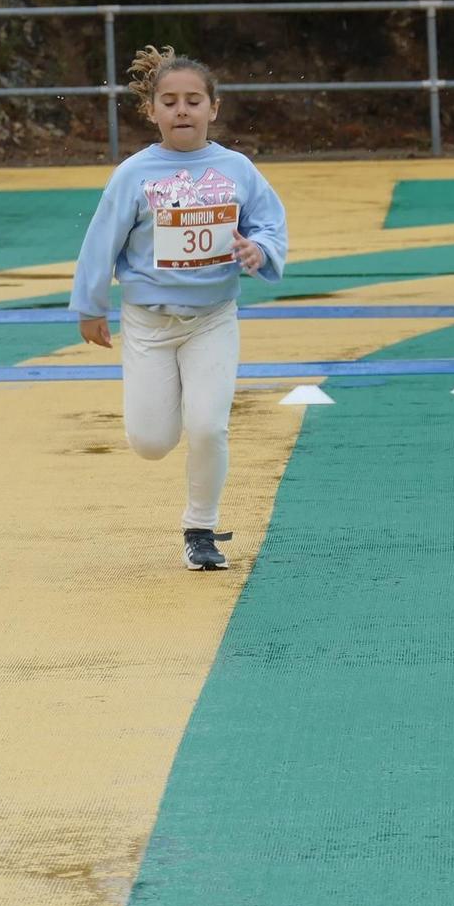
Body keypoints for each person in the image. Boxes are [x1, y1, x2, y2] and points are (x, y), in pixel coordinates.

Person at [70, 46, 289, 572]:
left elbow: (268, 223)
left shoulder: (237, 169)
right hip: (148, 323)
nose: (182, 110)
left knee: (209, 426)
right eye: (170, 101)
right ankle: (166, 455)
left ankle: (201, 528)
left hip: (214, 318)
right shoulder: (133, 175)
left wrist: (260, 251)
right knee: (151, 441)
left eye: (194, 100)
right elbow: (101, 241)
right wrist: (90, 305)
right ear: (152, 111)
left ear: (214, 108)